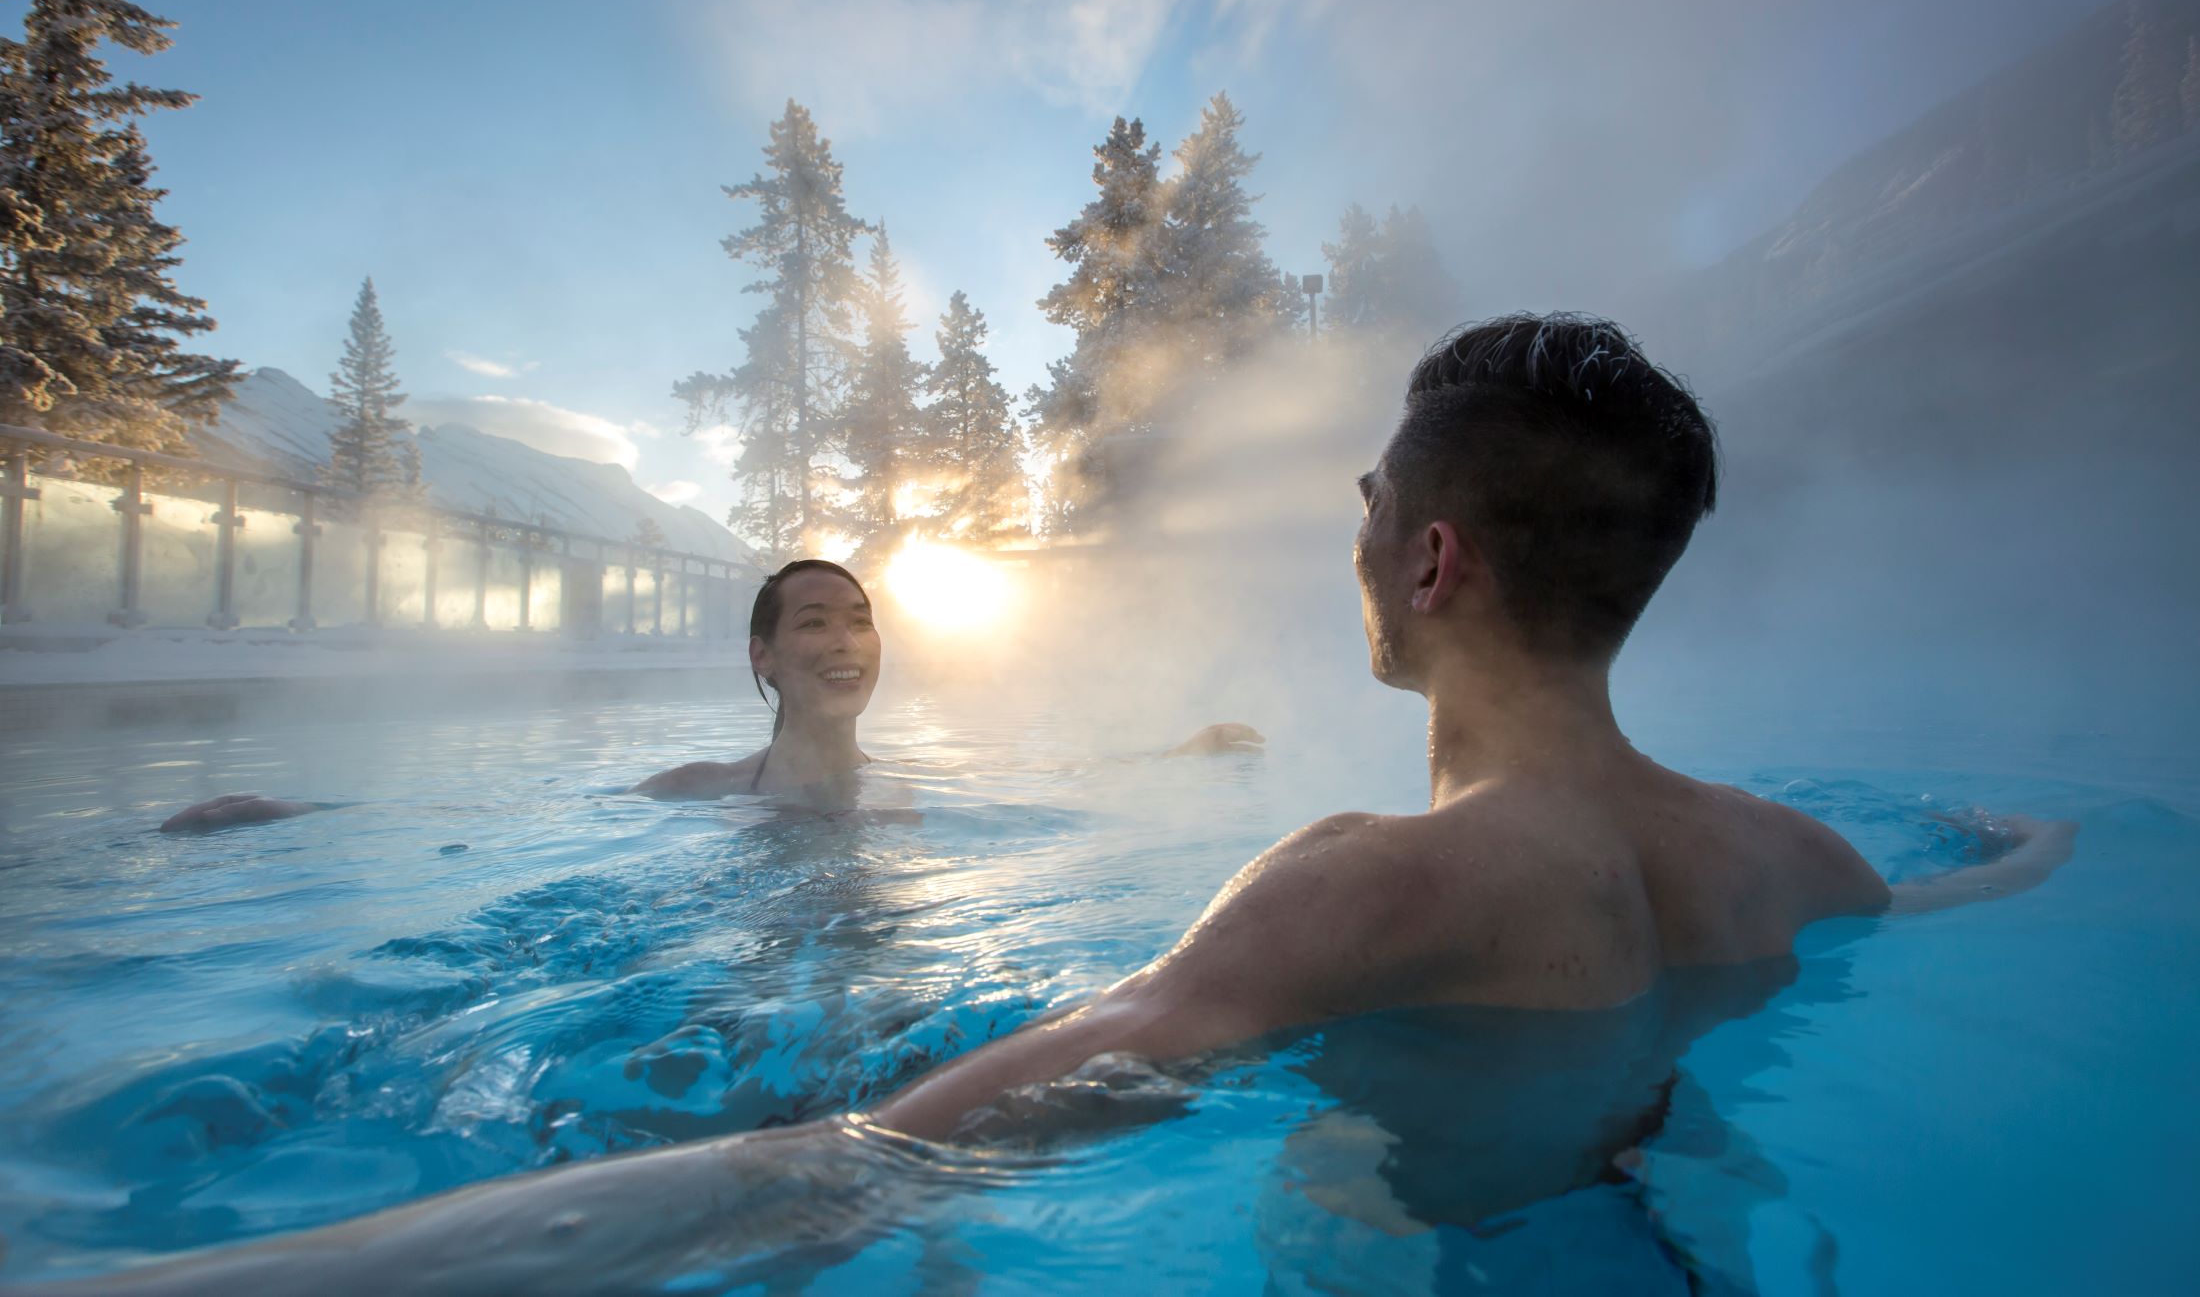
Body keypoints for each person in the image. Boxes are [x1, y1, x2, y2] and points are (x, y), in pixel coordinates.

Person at [80, 314, 2075, 1293]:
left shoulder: (1368, 888)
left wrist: (208, 1279)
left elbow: (872, 1156)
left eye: (1365, 512)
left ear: (1430, 559)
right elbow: (1949, 904)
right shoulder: (1787, 856)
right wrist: (2029, 845)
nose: (1352, 548)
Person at [155, 558, 1263, 831]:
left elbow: (1052, 777)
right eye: (813, 622)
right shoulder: (703, 786)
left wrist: (1180, 756)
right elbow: (519, 816)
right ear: (763, 658)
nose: (845, 640)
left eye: (860, 619)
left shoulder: (916, 787)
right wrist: (296, 811)